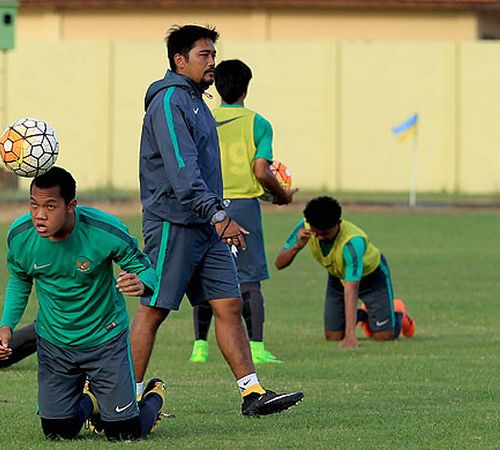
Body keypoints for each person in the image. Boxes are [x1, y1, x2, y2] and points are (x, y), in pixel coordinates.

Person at [132, 24, 303, 416]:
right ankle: (128, 397)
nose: (212, 61)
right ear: (180, 60)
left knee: (228, 304)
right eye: (204, 55)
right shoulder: (169, 101)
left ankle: (252, 393)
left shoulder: (195, 100)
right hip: (175, 223)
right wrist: (218, 214)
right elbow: (181, 170)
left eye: (213, 54)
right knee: (154, 309)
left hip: (206, 225)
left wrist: (214, 216)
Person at [0, 167, 167, 441]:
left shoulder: (104, 230)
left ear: (71, 205)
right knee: (58, 432)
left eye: (50, 206)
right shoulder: (20, 235)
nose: (39, 214)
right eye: (34, 205)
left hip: (104, 339)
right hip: (54, 342)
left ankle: (153, 396)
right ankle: (92, 401)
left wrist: (142, 283)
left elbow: (146, 269)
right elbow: (20, 280)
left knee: (123, 434)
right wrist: (5, 327)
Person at [190, 59, 298, 365]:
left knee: (206, 276)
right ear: (246, 88)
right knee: (249, 280)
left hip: (208, 204)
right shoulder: (258, 123)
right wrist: (282, 196)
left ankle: (200, 347)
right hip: (243, 205)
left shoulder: (204, 119)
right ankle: (258, 348)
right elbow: (262, 171)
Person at [275, 196, 416, 347]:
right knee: (333, 336)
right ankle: (363, 315)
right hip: (337, 277)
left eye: (325, 233)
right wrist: (297, 246)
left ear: (338, 224)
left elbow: (351, 288)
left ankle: (399, 312)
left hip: (372, 279)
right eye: (316, 232)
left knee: (383, 336)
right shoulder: (305, 227)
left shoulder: (352, 242)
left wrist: (350, 336)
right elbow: (279, 264)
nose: (320, 237)